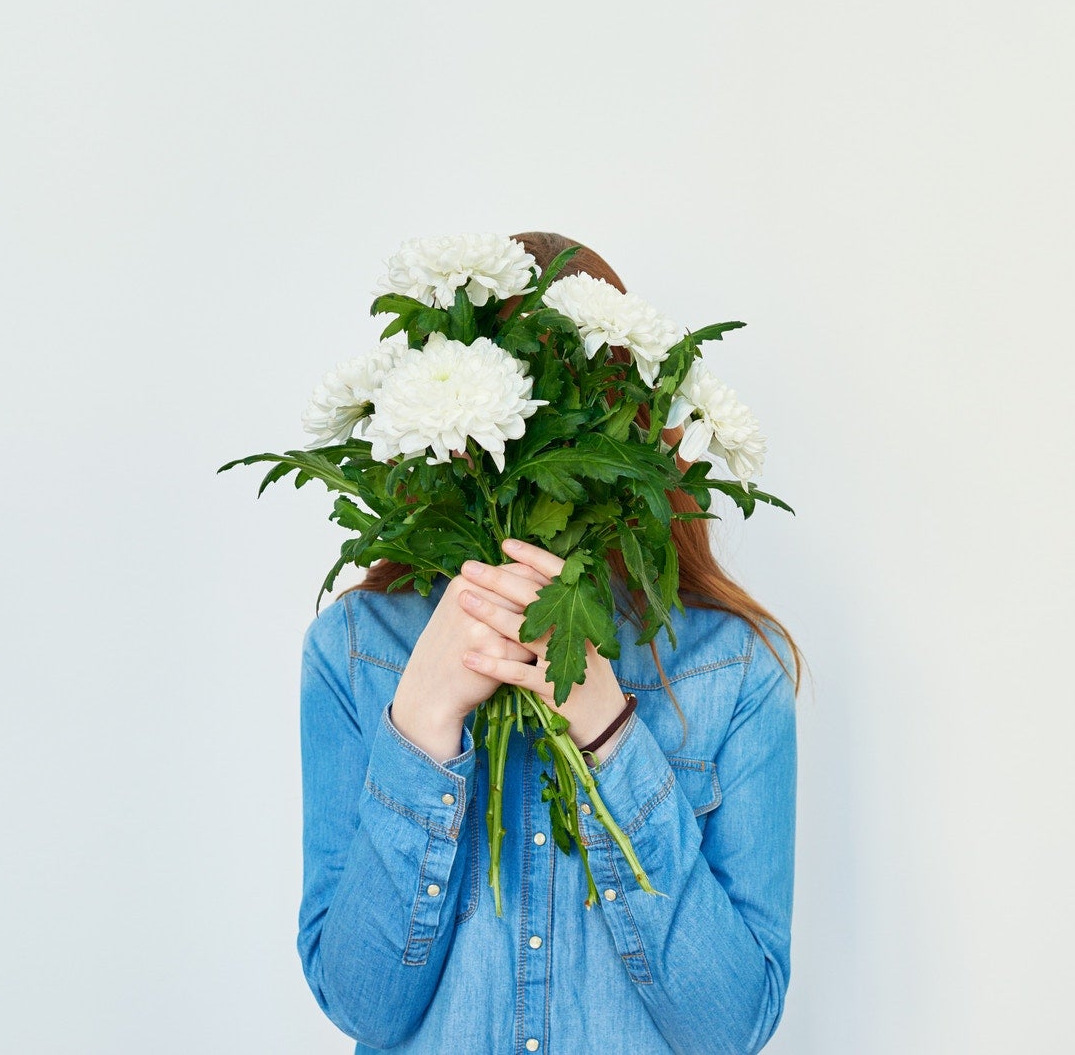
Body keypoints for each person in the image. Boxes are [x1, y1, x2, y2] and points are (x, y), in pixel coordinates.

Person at [296, 233, 802, 1054]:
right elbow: (363, 1006)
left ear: (627, 430)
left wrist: (609, 733)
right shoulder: (356, 646)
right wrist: (421, 722)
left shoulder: (734, 669)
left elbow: (733, 1027)